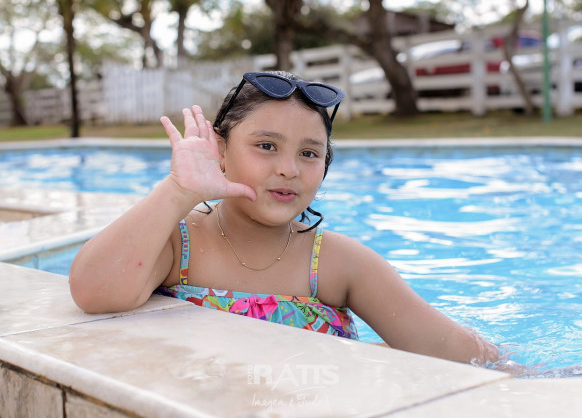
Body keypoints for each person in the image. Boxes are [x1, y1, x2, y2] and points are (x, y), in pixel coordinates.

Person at [69, 71, 499, 367]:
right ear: (220, 150)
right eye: (266, 146)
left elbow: (449, 348)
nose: (289, 169)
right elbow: (93, 292)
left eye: (309, 153)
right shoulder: (178, 245)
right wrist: (179, 191)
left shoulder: (337, 263)